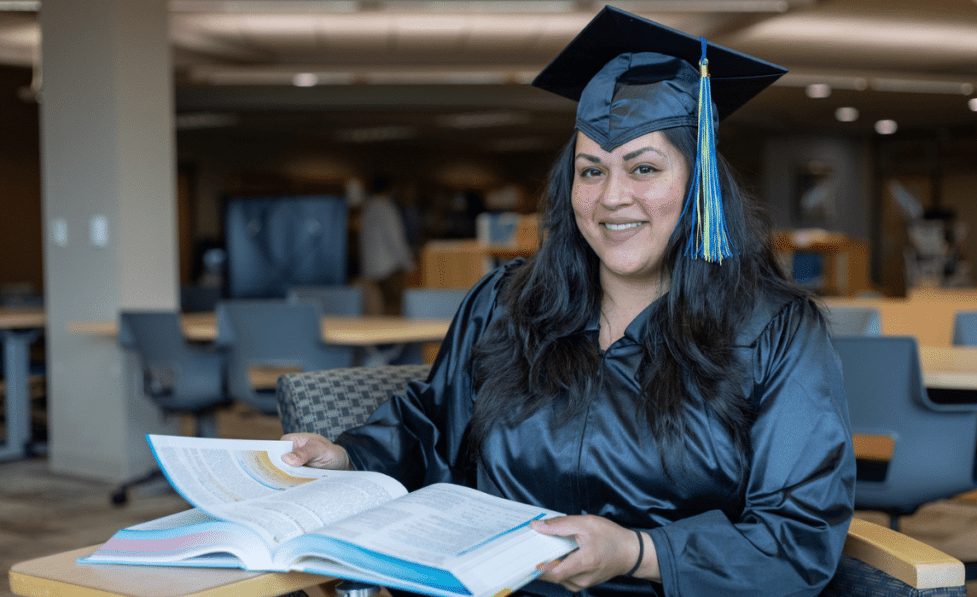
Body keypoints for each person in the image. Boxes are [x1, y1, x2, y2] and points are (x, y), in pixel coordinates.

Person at [283, 7, 855, 596]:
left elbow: (797, 536)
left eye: (644, 168)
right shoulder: (507, 304)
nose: (613, 197)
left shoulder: (774, 330)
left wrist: (637, 551)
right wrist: (348, 456)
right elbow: (435, 422)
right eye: (591, 171)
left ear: (699, 184)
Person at [359, 174, 416, 315]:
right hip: (388, 270)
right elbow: (395, 240)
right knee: (392, 312)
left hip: (371, 269)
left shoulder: (368, 208)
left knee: (376, 312)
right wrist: (409, 264)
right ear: (389, 189)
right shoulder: (387, 209)